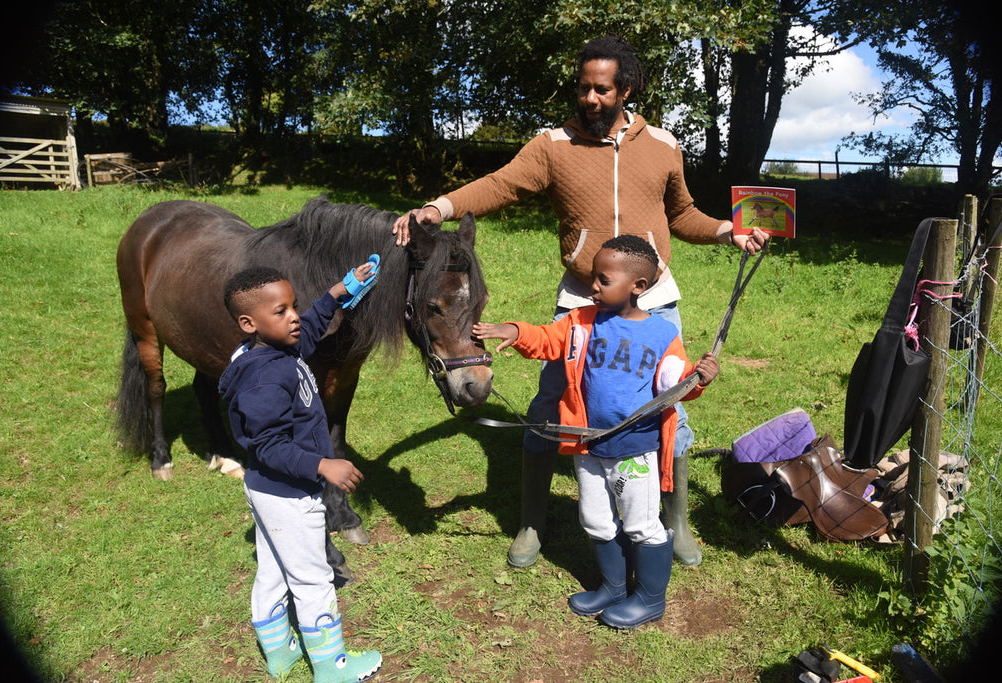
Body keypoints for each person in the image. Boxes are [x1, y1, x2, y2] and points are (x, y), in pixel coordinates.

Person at [393, 35, 766, 568]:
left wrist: (730, 231)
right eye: (583, 88)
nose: (589, 98)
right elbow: (501, 185)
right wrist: (441, 206)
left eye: (601, 89)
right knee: (550, 409)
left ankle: (675, 520)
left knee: (668, 407)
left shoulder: (662, 144)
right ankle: (531, 523)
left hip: (654, 302)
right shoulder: (552, 145)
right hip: (580, 302)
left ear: (626, 89)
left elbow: (682, 215)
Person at [473, 235, 719, 629]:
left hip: (634, 449)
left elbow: (676, 383)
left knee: (641, 523)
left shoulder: (661, 335)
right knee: (596, 520)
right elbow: (546, 339)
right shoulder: (580, 321)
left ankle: (651, 599)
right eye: (593, 278)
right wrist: (515, 331)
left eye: (604, 280)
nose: (593, 287)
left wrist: (698, 378)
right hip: (587, 445)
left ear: (638, 287)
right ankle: (614, 587)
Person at [218, 264, 383, 683]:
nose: (293, 316)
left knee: (273, 570)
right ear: (248, 322)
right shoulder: (264, 379)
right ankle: (332, 666)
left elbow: (307, 330)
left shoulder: (274, 348)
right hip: (289, 496)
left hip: (266, 491)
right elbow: (268, 444)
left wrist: (336, 293)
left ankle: (279, 651)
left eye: (292, 306)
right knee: (313, 579)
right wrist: (322, 463)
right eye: (282, 311)